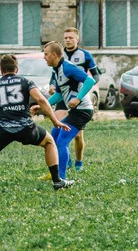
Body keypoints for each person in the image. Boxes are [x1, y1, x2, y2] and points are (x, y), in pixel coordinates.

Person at [0, 54, 75, 193]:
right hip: (26, 128)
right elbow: (41, 100)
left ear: (1, 70)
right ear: (17, 69)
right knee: (49, 142)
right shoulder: (25, 81)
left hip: (3, 129)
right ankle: (57, 181)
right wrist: (55, 121)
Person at [42, 27, 100, 176]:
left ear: (54, 55)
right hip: (75, 110)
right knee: (53, 138)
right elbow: (60, 95)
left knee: (62, 141)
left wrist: (78, 98)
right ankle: (54, 172)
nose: (44, 57)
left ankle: (61, 176)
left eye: (46, 55)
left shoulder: (68, 67)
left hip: (82, 110)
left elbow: (90, 79)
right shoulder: (57, 69)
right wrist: (43, 104)